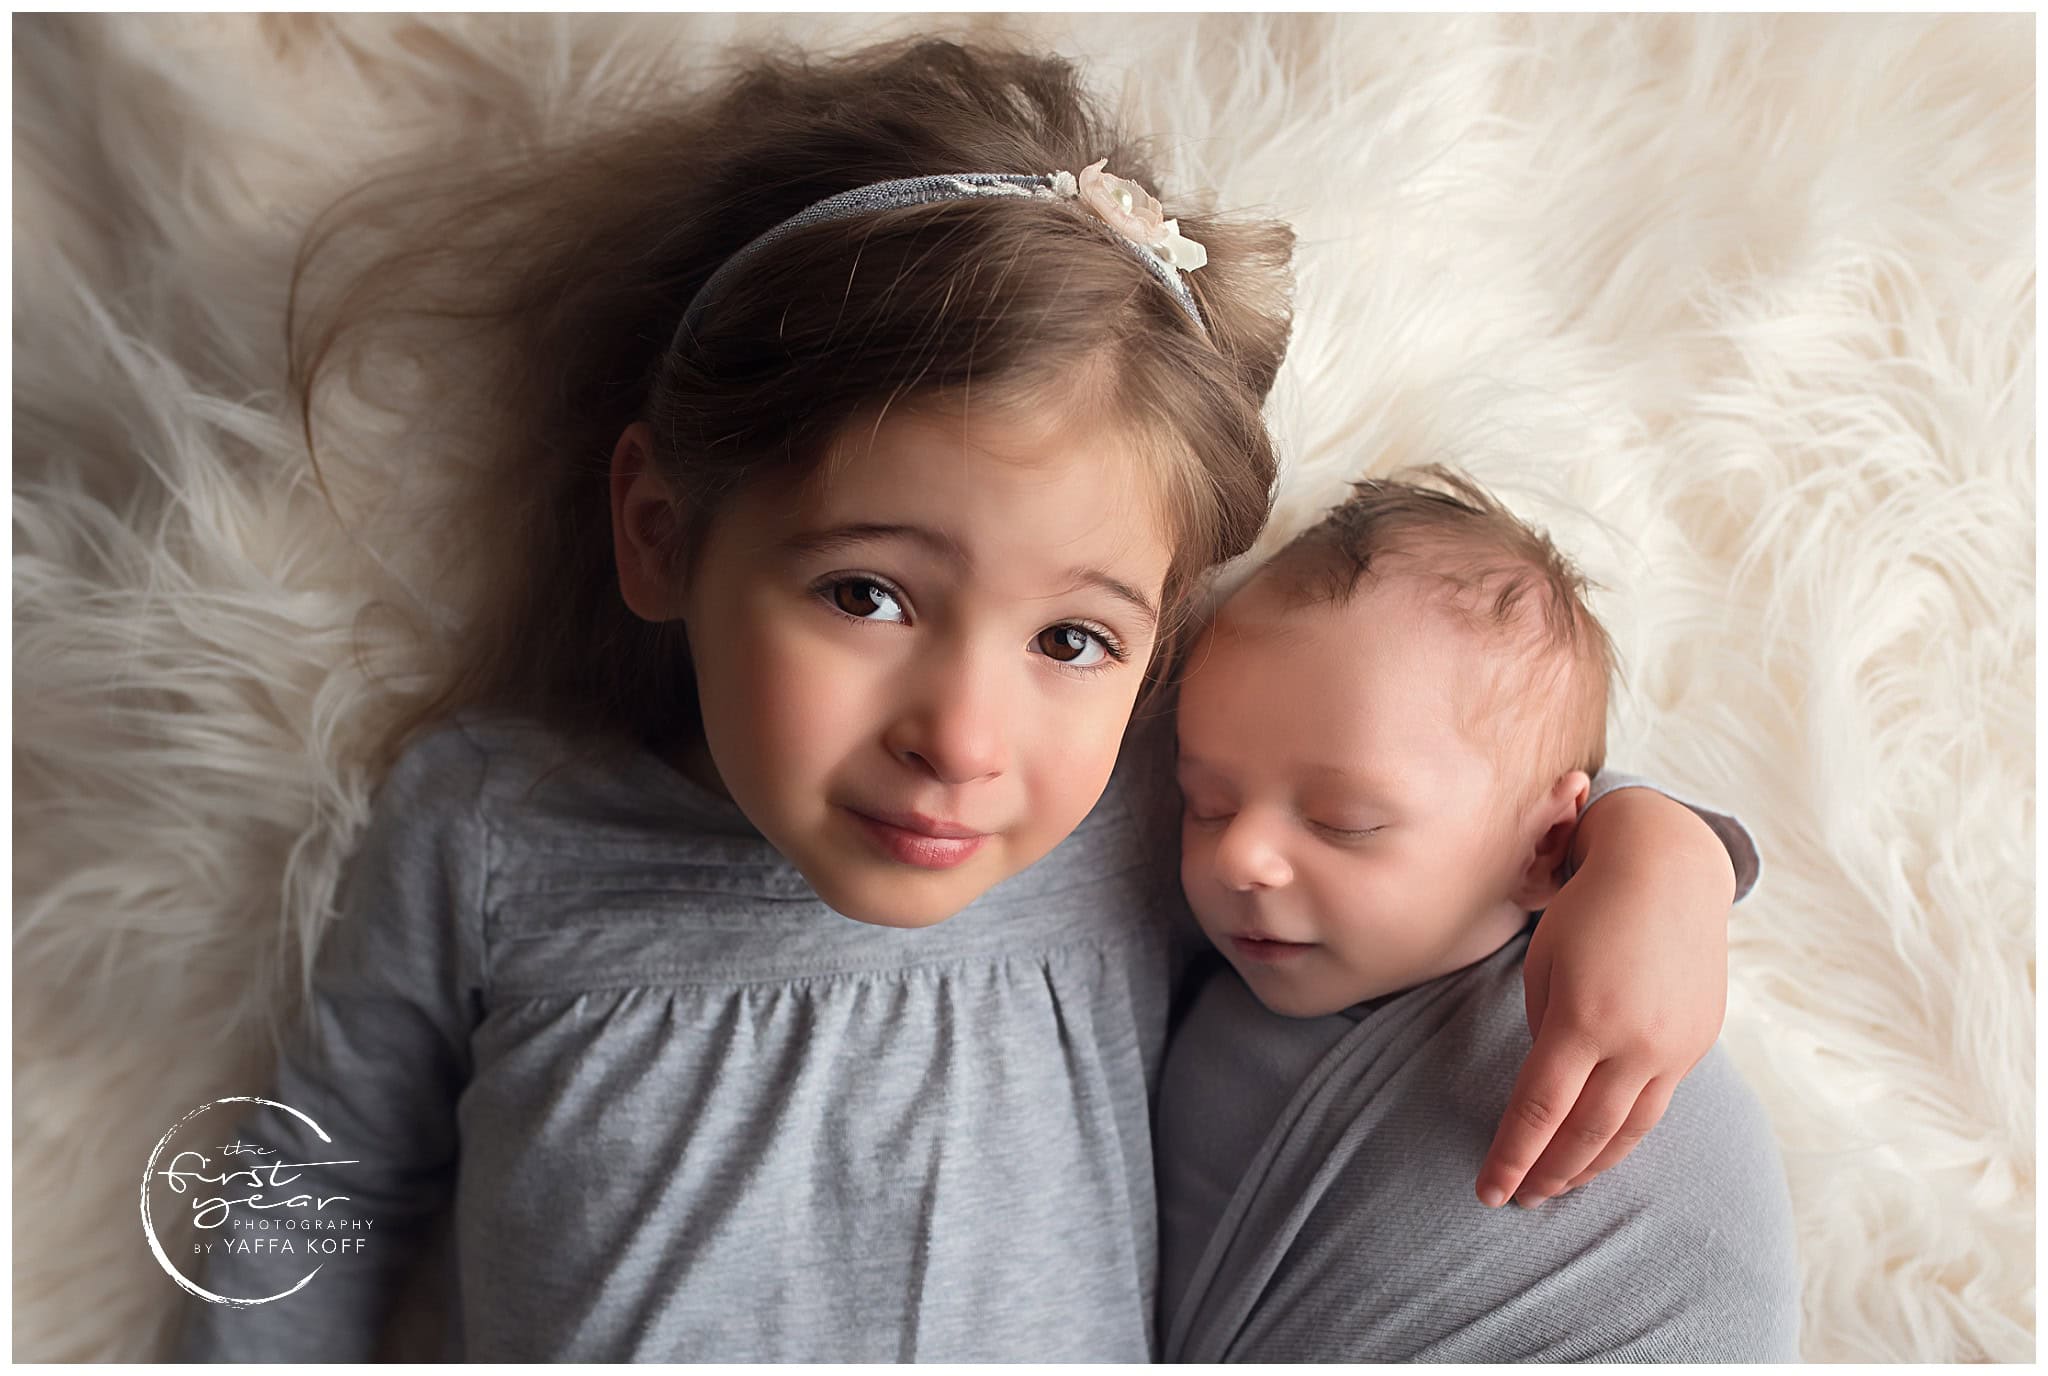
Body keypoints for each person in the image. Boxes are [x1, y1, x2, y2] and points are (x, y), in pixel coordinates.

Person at [168, 40, 1757, 1362]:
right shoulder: (495, 822)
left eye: (1073, 639)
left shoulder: (1152, 806)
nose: (963, 738)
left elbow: (1442, 773)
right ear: (662, 532)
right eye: (866, 595)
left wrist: (1658, 852)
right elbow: (322, 1174)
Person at [1157, 468, 1801, 1362]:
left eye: (1345, 823)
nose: (1239, 858)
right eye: (1207, 804)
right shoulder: (1212, 970)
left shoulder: (1584, 987)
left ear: (1543, 850)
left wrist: (1664, 855)